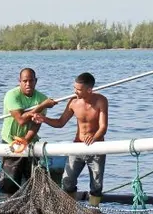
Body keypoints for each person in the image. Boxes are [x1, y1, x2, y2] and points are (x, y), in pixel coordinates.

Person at [33, 72, 109, 207]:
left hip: (96, 148)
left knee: (96, 186)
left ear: (89, 89)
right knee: (67, 182)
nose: (75, 92)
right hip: (77, 147)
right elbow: (60, 123)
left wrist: (94, 137)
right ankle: (70, 208)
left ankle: (93, 209)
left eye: (79, 89)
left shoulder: (101, 100)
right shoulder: (73, 101)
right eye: (74, 88)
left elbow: (103, 127)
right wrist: (43, 119)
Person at [0, 68, 57, 196]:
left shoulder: (41, 97)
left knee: (38, 184)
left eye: (31, 80)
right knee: (9, 185)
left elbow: (36, 124)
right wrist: (42, 106)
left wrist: (25, 140)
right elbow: (20, 119)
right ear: (19, 81)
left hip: (30, 142)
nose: (28, 84)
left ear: (36, 81)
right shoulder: (12, 95)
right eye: (25, 81)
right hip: (10, 142)